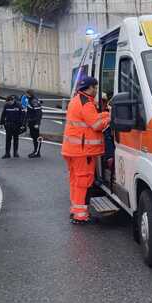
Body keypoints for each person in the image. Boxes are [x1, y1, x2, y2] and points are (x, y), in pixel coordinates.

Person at [61, 76, 110, 224]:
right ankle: (80, 215)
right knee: (83, 181)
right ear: (89, 88)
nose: (96, 90)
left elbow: (90, 119)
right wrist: (109, 117)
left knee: (75, 180)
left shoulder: (77, 100)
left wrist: (104, 114)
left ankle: (76, 210)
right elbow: (96, 125)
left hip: (72, 150)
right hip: (83, 151)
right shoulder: (86, 103)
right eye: (95, 87)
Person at [0, 94, 24, 159]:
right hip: (8, 125)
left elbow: (22, 116)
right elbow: (3, 114)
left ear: (12, 100)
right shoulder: (6, 105)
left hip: (16, 125)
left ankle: (15, 153)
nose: (9, 103)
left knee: (16, 139)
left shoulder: (18, 105)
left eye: (9, 102)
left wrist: (22, 125)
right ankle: (7, 154)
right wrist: (1, 123)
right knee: (8, 140)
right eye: (7, 102)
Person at [26, 91, 43, 158]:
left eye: (26, 94)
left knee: (36, 137)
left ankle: (37, 152)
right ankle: (35, 151)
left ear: (29, 94)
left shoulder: (34, 101)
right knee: (33, 137)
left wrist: (37, 123)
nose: (25, 95)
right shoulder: (30, 100)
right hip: (31, 122)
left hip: (34, 122)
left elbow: (39, 113)